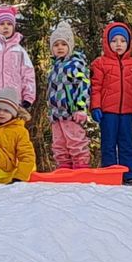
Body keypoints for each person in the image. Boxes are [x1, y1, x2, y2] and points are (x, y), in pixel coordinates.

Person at [90, 21, 132, 183]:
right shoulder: (100, 63)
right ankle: (110, 176)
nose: (118, 44)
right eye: (114, 41)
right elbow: (95, 87)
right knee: (108, 144)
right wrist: (96, 106)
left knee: (127, 144)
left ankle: (130, 176)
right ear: (107, 42)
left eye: (122, 40)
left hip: (127, 112)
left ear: (128, 43)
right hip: (108, 112)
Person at [46, 21, 91, 169]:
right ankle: (63, 167)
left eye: (63, 44)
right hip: (56, 114)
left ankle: (81, 166)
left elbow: (83, 85)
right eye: (56, 44)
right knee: (59, 143)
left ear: (70, 46)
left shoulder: (75, 64)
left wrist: (81, 107)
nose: (60, 48)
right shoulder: (54, 67)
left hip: (71, 112)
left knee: (75, 140)